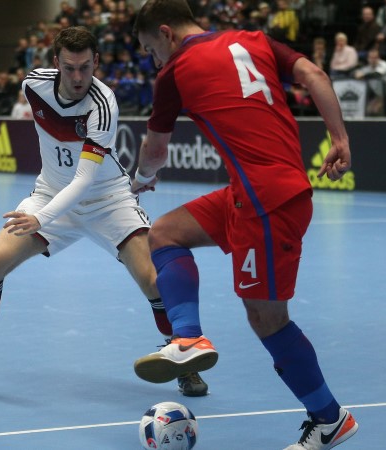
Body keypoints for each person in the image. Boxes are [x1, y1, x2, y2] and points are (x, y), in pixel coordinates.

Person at [0, 26, 209, 398]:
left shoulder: (103, 105)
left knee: (153, 281)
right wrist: (43, 212)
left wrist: (41, 218)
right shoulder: (32, 85)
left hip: (107, 200)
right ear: (56, 63)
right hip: (51, 193)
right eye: (70, 68)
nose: (78, 77)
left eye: (86, 68)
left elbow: (85, 180)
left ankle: (183, 361)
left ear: (97, 63)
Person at [129, 1, 357, 448]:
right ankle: (188, 336)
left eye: (150, 49)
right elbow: (316, 77)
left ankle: (330, 420)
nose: (153, 59)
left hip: (268, 203)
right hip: (250, 191)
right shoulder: (253, 40)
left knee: (267, 320)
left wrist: (140, 181)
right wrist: (340, 138)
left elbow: (155, 151)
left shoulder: (174, 72)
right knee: (166, 233)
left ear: (166, 33)